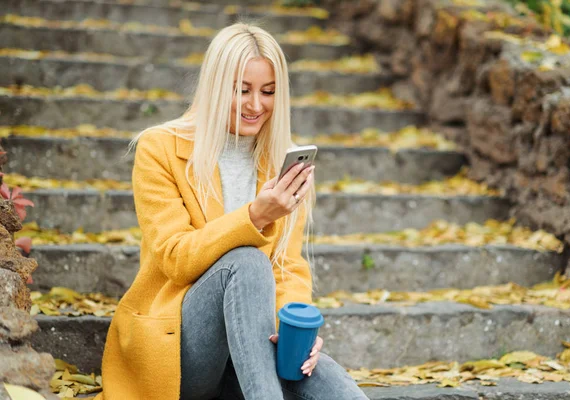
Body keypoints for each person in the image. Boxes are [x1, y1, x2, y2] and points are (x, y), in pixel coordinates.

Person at [95, 22, 369, 400]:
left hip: (250, 355)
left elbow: (288, 269)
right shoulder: (159, 149)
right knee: (246, 261)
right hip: (179, 353)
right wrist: (255, 217)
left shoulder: (281, 162)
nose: (256, 105)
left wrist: (294, 331)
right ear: (215, 87)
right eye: (242, 90)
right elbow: (175, 258)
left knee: (329, 381)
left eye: (268, 92)